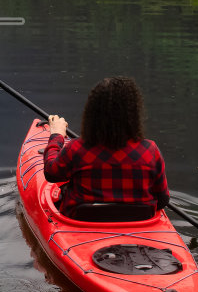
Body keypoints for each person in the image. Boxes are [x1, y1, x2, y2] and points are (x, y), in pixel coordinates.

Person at [43, 75, 169, 222]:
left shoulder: (76, 149)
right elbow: (162, 200)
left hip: (83, 221)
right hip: (139, 224)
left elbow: (51, 173)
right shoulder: (150, 151)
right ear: (133, 114)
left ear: (92, 113)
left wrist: (57, 135)